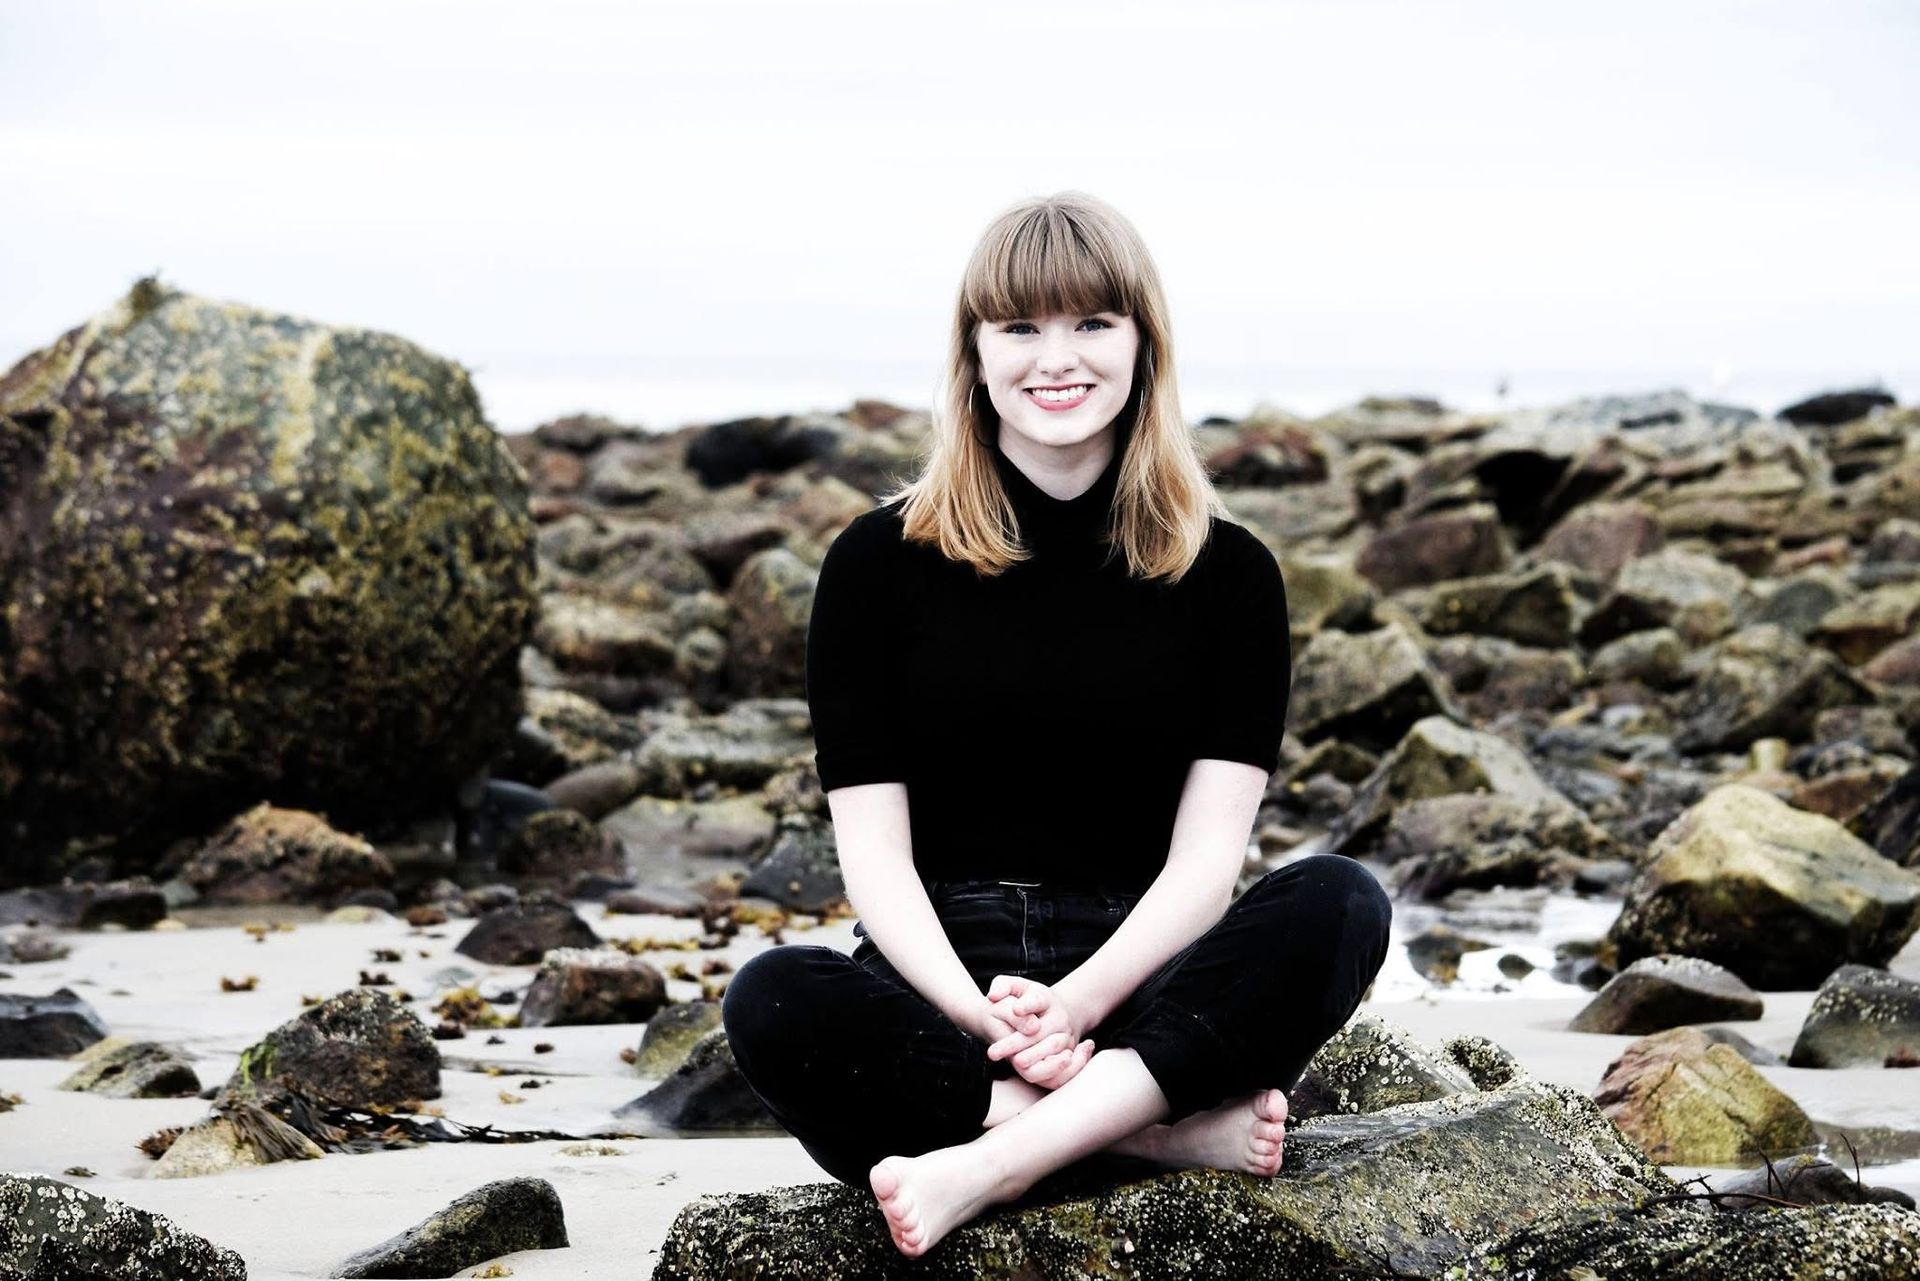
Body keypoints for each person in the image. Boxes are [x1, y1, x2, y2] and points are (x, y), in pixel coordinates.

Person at [720, 191, 1393, 1259]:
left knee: (1343, 902)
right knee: (773, 1000)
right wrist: (986, 1021)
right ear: (975, 354)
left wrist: (1080, 1006)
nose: (1055, 358)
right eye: (1020, 327)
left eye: (1092, 323)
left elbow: (1207, 865)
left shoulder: (1231, 575)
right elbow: (876, 863)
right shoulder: (873, 566)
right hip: (948, 977)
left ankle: (991, 1158)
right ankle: (1155, 1135)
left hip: (1144, 978)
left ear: (1142, 345)